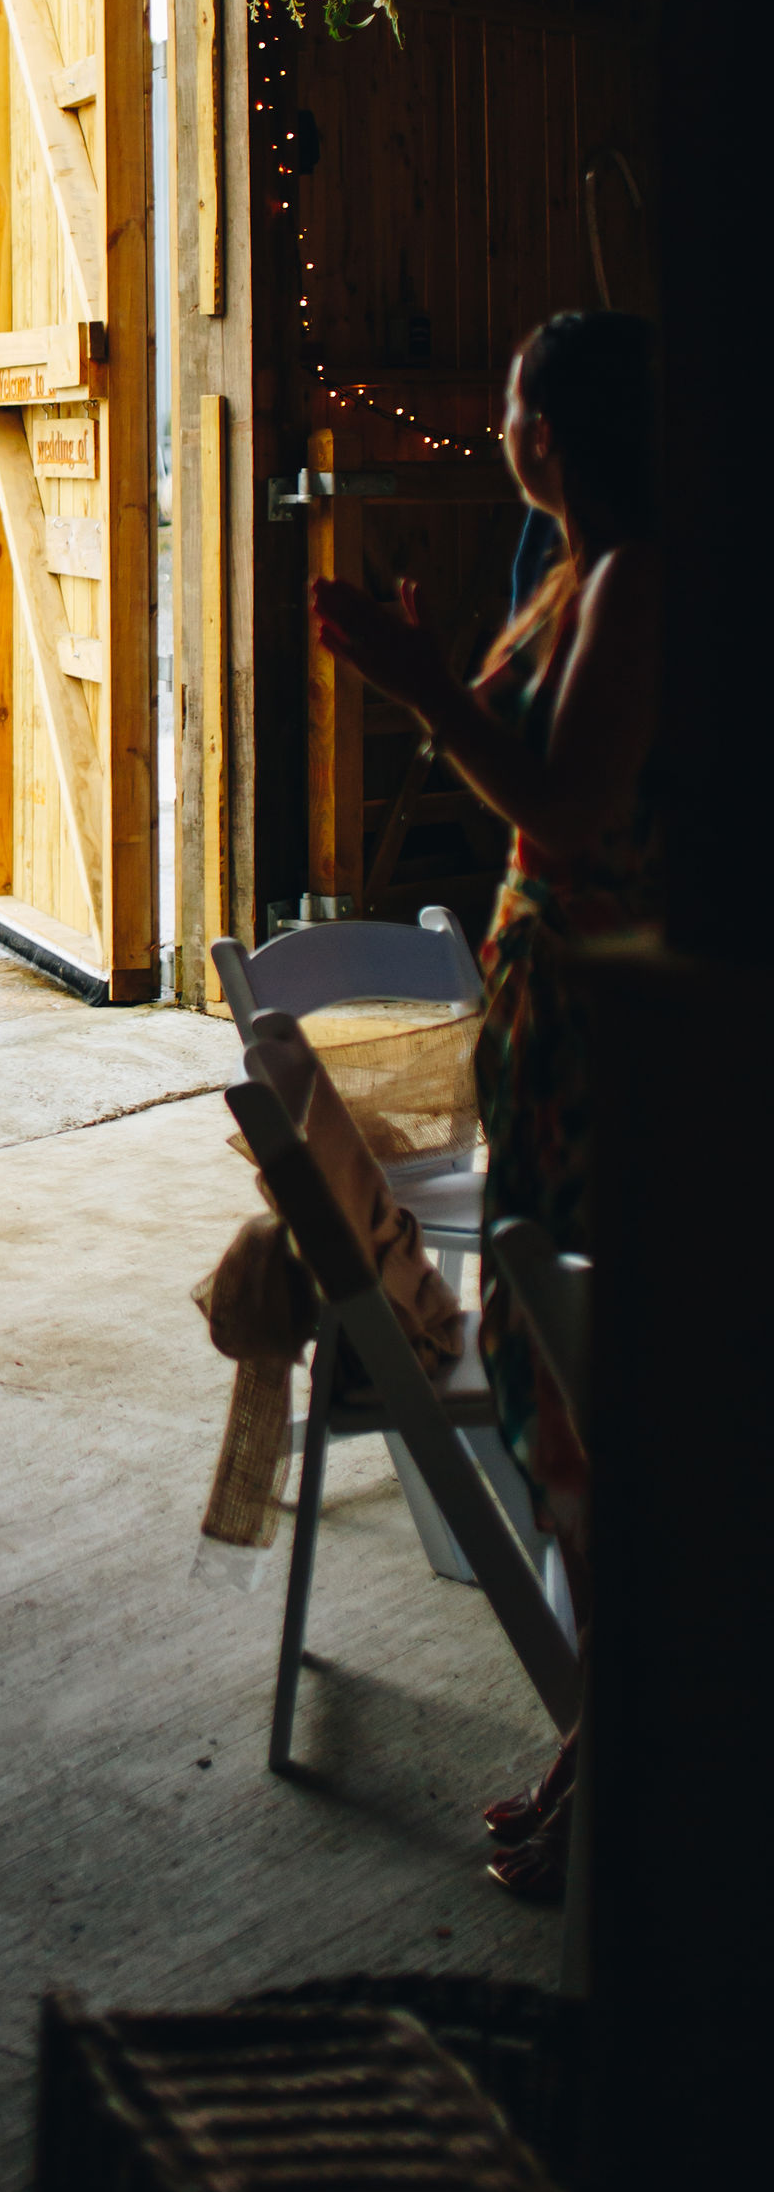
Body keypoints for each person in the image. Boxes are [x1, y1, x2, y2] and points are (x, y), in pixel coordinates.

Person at [311, 307, 659, 1904]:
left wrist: (418, 683)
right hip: (542, 998)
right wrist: (430, 683)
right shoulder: (569, 573)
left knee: (569, 1382)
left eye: (514, 404)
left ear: (554, 429)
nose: (503, 426)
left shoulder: (638, 583)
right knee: (548, 1378)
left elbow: (569, 807)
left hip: (596, 1019)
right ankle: (610, 1742)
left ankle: (626, 1757)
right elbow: (517, 781)